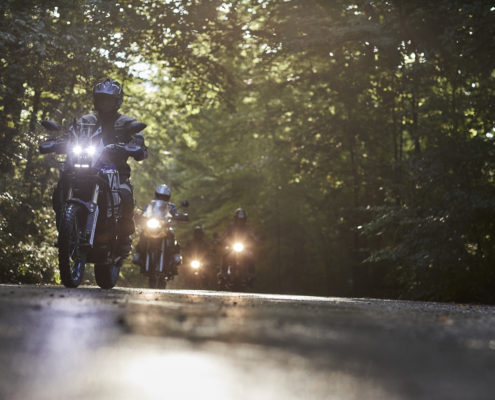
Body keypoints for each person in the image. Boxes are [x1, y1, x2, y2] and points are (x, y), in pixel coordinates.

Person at [52, 78, 148, 257]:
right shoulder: (85, 121)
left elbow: (138, 141)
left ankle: (125, 238)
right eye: (102, 98)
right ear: (95, 99)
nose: (105, 102)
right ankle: (65, 232)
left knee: (125, 193)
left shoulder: (127, 122)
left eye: (109, 99)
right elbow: (69, 136)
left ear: (117, 101)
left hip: (115, 173)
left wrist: (136, 146)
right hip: (83, 168)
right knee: (59, 189)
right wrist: (57, 142)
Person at [132, 184, 184, 269]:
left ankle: (175, 256)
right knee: (143, 234)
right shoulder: (149, 206)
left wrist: (180, 216)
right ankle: (139, 254)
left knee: (171, 234)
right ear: (156, 195)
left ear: (168, 197)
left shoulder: (171, 206)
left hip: (165, 228)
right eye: (160, 196)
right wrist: (139, 216)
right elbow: (143, 213)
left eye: (164, 196)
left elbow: (176, 214)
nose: (161, 198)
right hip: (152, 226)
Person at [218, 208, 257, 281]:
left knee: (251, 255)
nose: (240, 221)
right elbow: (224, 235)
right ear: (235, 219)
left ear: (245, 220)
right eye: (239, 219)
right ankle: (224, 273)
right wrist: (220, 240)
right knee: (225, 255)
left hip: (244, 247)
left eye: (242, 220)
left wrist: (257, 240)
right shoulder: (230, 227)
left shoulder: (247, 228)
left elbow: (252, 236)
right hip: (232, 247)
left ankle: (251, 274)